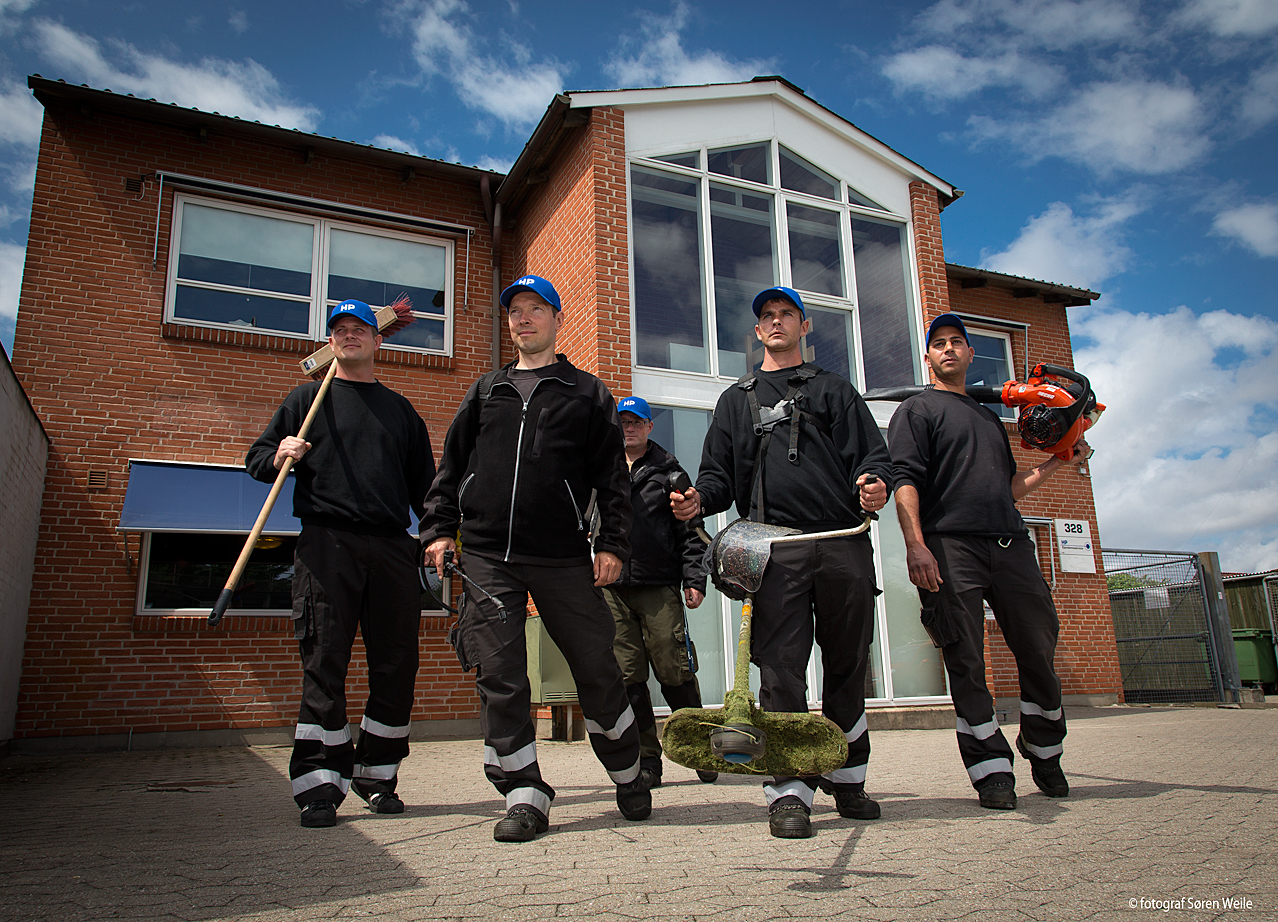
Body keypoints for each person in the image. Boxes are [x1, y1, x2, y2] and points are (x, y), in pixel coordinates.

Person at [420, 274, 647, 843]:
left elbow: (612, 481)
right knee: (500, 674)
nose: (522, 319)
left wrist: (613, 544)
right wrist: (440, 529)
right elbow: (450, 468)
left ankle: (626, 766)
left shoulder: (588, 393)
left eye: (535, 309)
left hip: (563, 555)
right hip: (488, 556)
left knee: (597, 666)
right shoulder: (484, 391)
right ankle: (524, 793)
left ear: (556, 319)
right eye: (514, 311)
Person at [672, 286, 893, 839]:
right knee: (781, 670)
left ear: (804, 325)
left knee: (847, 666)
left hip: (842, 542)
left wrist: (873, 486)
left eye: (785, 315)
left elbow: (872, 457)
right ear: (756, 332)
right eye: (766, 317)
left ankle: (849, 778)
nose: (775, 322)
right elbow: (719, 477)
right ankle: (789, 792)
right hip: (775, 551)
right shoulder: (734, 400)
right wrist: (699, 499)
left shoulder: (836, 390)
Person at [246, 299, 436, 828]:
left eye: (360, 329)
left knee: (396, 666)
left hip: (392, 548)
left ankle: (378, 777)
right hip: (326, 545)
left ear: (379, 341)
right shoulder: (307, 400)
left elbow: (428, 492)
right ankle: (319, 786)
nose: (350, 336)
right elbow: (257, 461)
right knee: (324, 662)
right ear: (330, 344)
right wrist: (280, 452)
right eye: (340, 330)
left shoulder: (402, 412)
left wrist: (441, 536)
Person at [888, 312, 1081, 810]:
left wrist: (1057, 462)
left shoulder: (990, 418)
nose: (949, 349)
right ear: (928, 357)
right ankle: (991, 769)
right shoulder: (917, 411)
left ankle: (1044, 748)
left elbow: (1009, 490)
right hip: (951, 547)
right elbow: (904, 480)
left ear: (972, 355)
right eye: (939, 344)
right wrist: (915, 544)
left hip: (1011, 544)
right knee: (967, 660)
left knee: (1038, 648)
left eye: (958, 342)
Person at [605, 395, 717, 789]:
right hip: (612, 589)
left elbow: (692, 534)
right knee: (628, 677)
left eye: (637, 421)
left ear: (650, 427)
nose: (629, 427)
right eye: (623, 421)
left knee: (674, 670)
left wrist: (694, 580)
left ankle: (703, 746)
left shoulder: (671, 473)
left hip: (659, 587)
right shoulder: (602, 469)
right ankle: (646, 760)